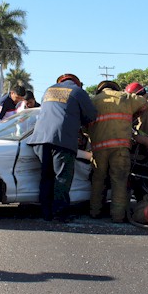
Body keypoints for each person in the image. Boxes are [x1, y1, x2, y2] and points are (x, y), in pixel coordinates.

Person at [27, 73, 97, 222]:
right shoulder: (78, 92)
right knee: (62, 177)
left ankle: (46, 213)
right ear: (77, 83)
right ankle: (60, 213)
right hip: (62, 139)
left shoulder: (49, 90)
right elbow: (91, 116)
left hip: (39, 138)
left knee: (46, 177)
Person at [88, 80, 147, 222]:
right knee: (119, 181)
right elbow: (144, 104)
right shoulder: (125, 97)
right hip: (120, 148)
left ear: (100, 89)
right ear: (115, 88)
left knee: (98, 180)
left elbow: (85, 123)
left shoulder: (93, 101)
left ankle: (95, 212)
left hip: (99, 149)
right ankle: (118, 216)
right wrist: (133, 116)